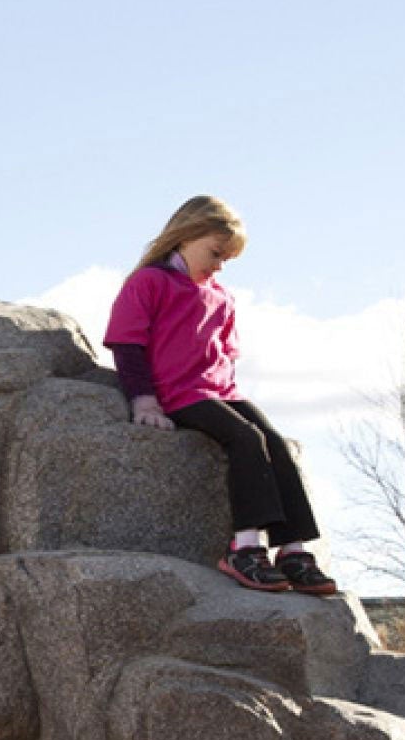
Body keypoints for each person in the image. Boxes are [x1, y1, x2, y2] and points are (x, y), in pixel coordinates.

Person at [104, 194, 342, 596]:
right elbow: (127, 343)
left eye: (226, 260)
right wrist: (144, 400)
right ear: (185, 236)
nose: (218, 266)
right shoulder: (149, 282)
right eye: (215, 254)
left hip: (221, 392)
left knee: (276, 444)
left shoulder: (221, 296)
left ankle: (293, 550)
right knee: (245, 440)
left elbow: (227, 353)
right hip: (179, 393)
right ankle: (244, 547)